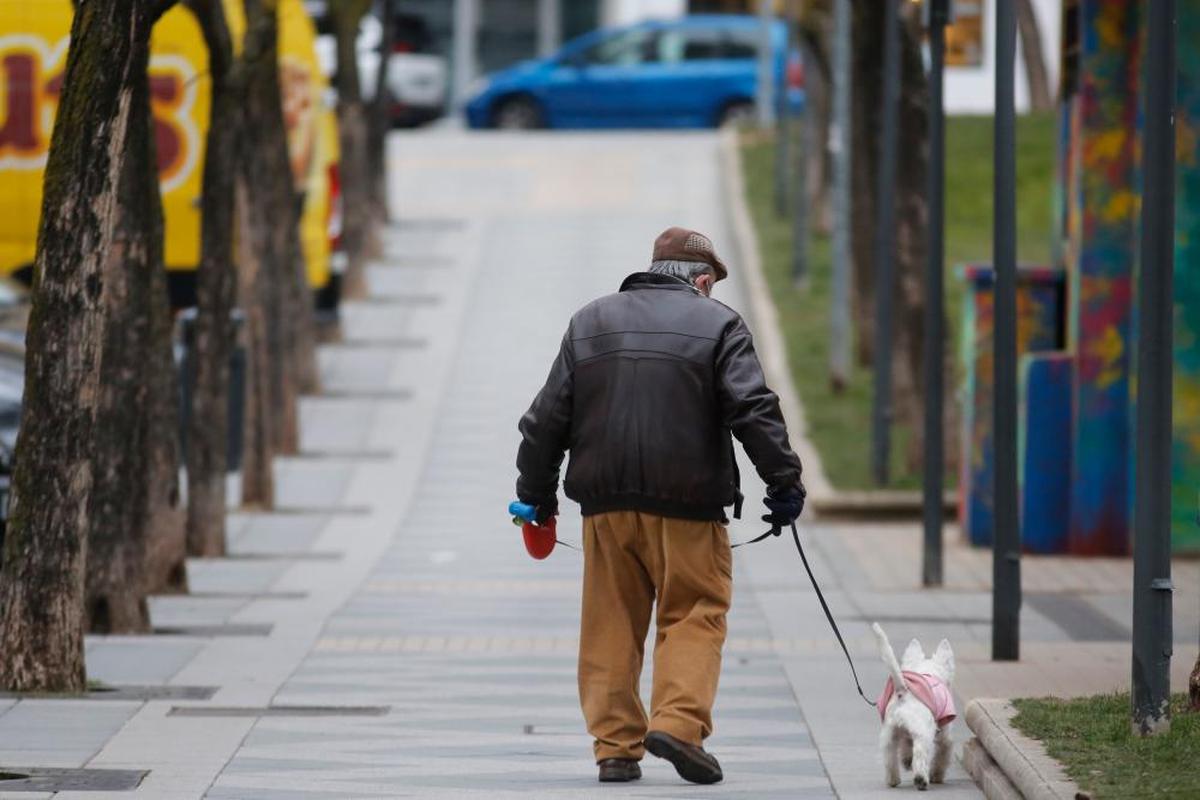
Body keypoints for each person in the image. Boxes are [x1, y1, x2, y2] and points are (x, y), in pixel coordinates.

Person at [514, 227, 805, 785]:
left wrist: (535, 495)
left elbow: (545, 419)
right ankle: (677, 723)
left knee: (610, 622)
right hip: (690, 506)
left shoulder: (589, 321)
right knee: (695, 610)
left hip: (604, 507)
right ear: (701, 281)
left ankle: (615, 748)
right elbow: (753, 408)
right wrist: (783, 483)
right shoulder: (719, 325)